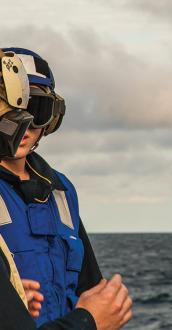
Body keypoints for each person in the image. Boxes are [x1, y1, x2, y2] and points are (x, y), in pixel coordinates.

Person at [0, 50, 132, 330]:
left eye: (36, 109)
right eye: (11, 109)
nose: (23, 123)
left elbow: (89, 288)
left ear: (52, 117)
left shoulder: (60, 190)